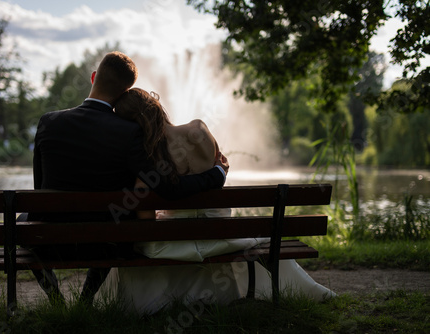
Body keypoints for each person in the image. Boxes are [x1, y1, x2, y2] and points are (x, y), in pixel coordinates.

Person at [94, 88, 335, 315]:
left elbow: (145, 218)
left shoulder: (148, 159)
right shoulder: (198, 129)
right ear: (156, 105)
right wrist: (219, 173)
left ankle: (144, 304)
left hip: (175, 243)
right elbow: (216, 176)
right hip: (220, 236)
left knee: (131, 249)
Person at [27, 52, 229, 305]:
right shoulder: (130, 131)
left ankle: (55, 299)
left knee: (25, 220)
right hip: (108, 243)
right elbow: (165, 187)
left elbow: (38, 193)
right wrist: (216, 174)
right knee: (112, 219)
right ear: (125, 91)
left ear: (93, 77)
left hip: (50, 242)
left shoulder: (48, 122)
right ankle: (85, 300)